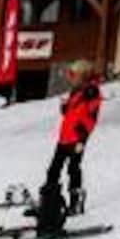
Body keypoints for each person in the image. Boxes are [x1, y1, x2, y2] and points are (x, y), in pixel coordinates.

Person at [45, 61, 102, 215]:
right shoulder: (76, 91)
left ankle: (76, 201)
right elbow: (71, 113)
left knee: (73, 168)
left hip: (77, 138)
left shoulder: (91, 92)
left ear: (82, 76)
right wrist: (65, 107)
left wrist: (82, 138)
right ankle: (48, 199)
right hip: (65, 136)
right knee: (54, 169)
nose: (70, 79)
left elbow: (91, 118)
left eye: (73, 75)